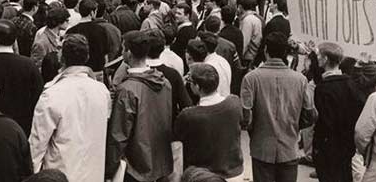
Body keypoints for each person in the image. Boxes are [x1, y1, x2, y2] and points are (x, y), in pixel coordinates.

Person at [29, 35, 111, 182]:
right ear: (87, 57)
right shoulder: (102, 91)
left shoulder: (52, 94)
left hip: (60, 174)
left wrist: (32, 175)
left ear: (62, 59)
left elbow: (37, 145)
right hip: (93, 173)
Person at [241, 32, 314, 182]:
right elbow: (310, 115)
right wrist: (294, 127)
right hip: (289, 148)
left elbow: (246, 118)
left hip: (261, 148)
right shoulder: (301, 80)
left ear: (266, 50)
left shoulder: (251, 78)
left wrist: (255, 130)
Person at [107, 30, 173, 182]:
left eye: (123, 48)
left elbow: (119, 135)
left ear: (128, 52)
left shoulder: (127, 90)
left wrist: (110, 169)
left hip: (135, 167)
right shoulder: (165, 83)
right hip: (161, 161)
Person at [174, 63, 244, 179]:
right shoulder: (235, 103)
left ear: (196, 86)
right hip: (234, 173)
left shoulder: (188, 115)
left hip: (203, 177)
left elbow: (177, 137)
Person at [313, 42, 366, 182]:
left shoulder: (323, 89)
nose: (316, 58)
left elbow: (323, 120)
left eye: (318, 55)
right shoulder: (351, 85)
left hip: (329, 146)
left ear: (324, 59)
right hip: (347, 144)